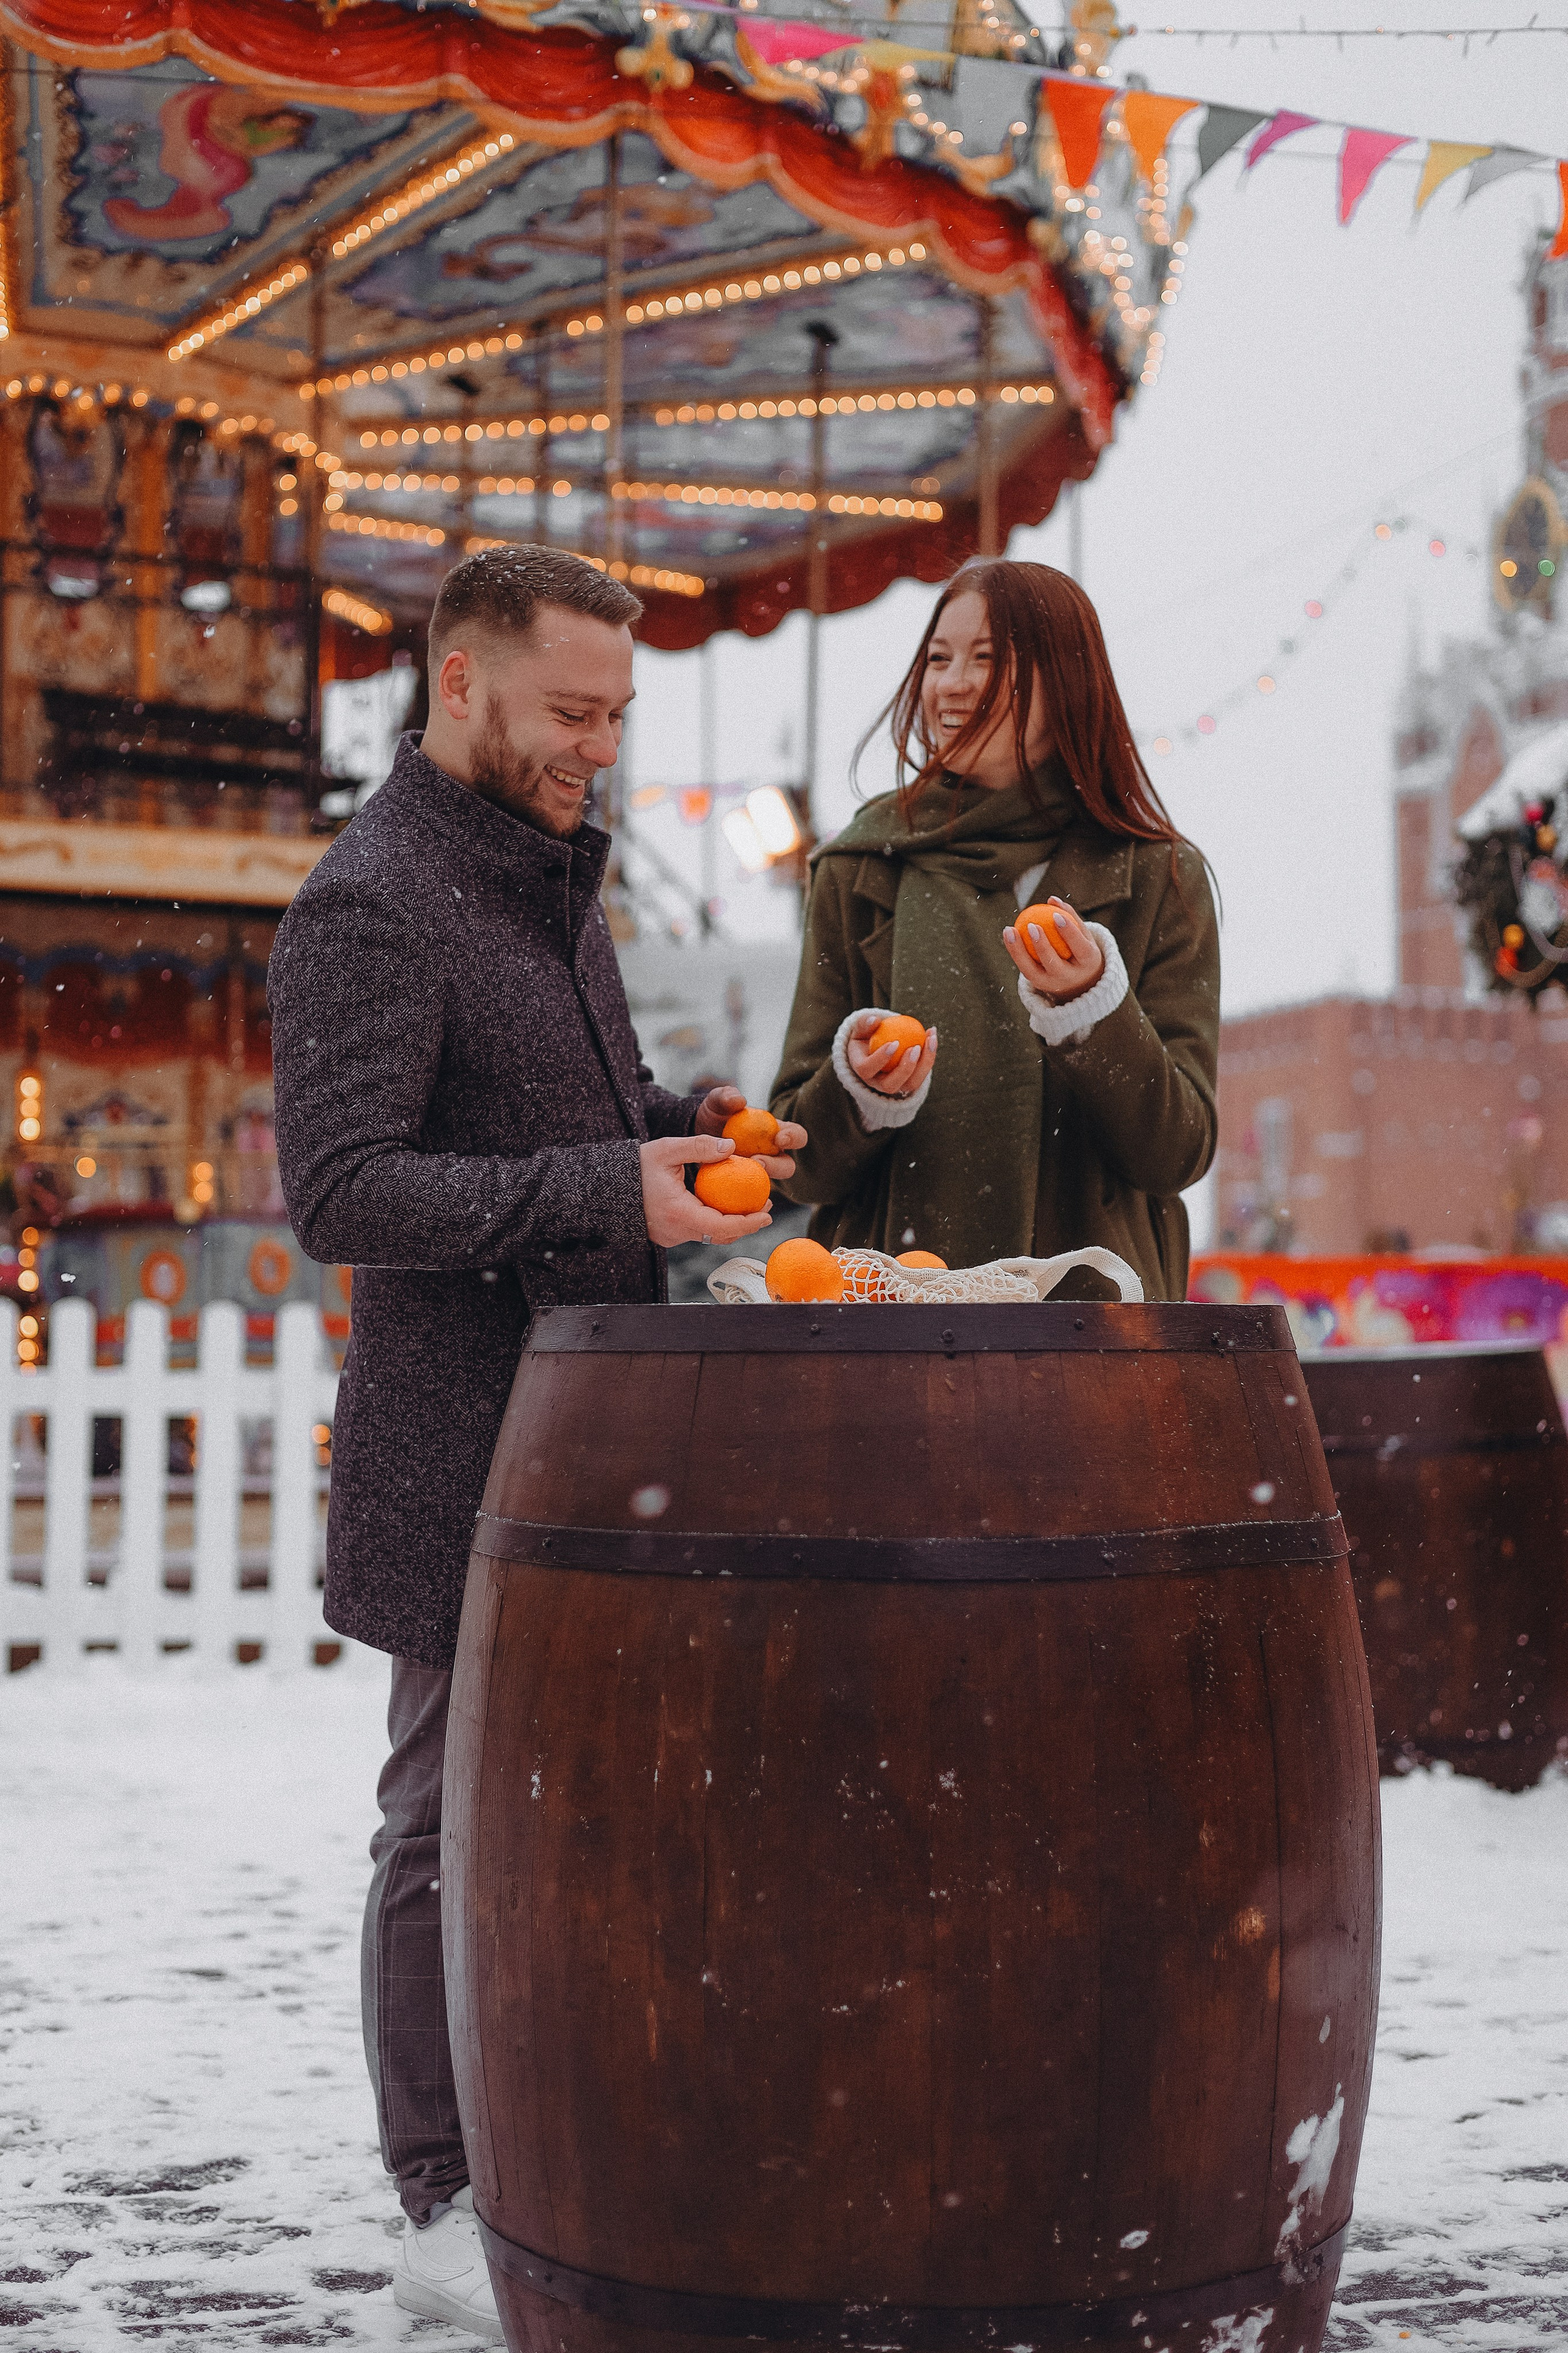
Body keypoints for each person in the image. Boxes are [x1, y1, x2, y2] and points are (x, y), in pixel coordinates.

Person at [268, 545, 804, 2343]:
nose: (603, 745)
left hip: (590, 1435)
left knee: (585, 1811)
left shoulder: (544, 881)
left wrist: (694, 1128)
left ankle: (571, 2128)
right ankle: (438, 2191)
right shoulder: (373, 900)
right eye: (574, 711)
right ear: (463, 684)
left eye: (618, 713)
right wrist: (604, 1180)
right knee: (438, 1818)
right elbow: (340, 1192)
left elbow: (576, 1114)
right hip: (456, 1442)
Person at [770, 559, 1216, 1298]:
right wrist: (859, 1091)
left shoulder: (1158, 877)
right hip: (888, 1320)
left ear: (1067, 681)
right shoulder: (861, 866)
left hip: (1090, 1325)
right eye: (938, 659)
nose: (950, 684)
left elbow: (1176, 1153)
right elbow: (803, 1160)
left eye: (987, 660)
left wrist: (1094, 1012)